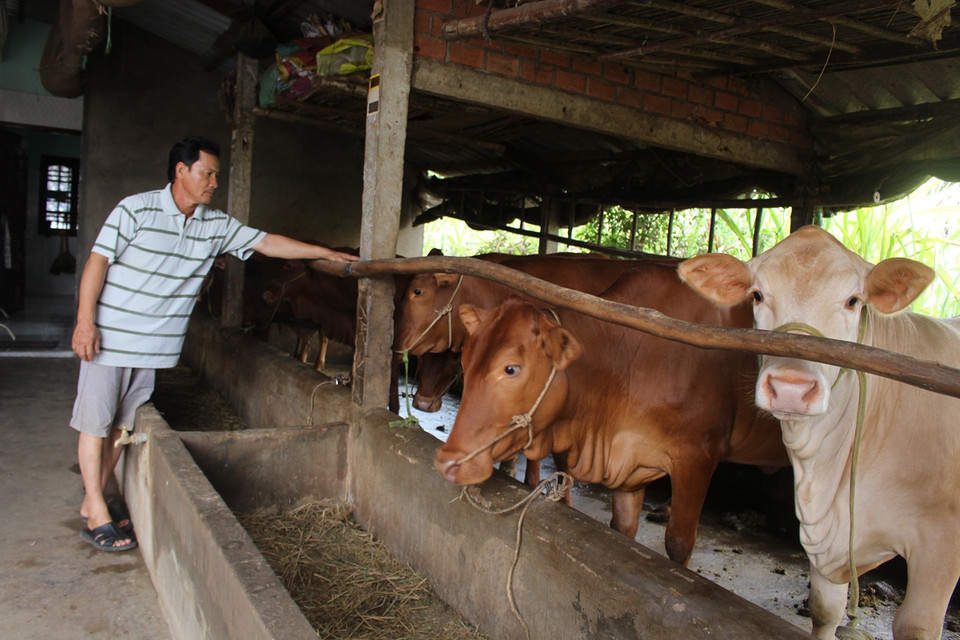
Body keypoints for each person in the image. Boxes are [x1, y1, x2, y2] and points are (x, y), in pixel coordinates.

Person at [71, 136, 359, 551]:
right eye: (207, 173)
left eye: (216, 176)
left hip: (150, 347)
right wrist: (85, 322)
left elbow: (267, 242)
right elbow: (97, 263)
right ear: (181, 171)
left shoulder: (214, 224)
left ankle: (91, 499)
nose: (213, 183)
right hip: (110, 337)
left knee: (121, 424)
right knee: (95, 422)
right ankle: (98, 511)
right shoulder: (134, 209)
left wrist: (327, 253)